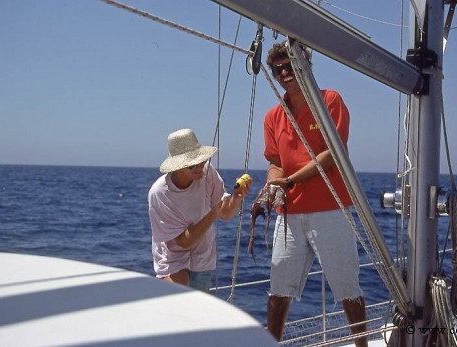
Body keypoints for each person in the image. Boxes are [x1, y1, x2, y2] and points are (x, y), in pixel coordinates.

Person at [262, 41, 368, 346]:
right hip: (289, 214)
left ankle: (361, 343)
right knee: (278, 289)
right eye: (278, 68)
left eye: (290, 65)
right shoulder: (273, 116)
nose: (284, 72)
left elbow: (332, 154)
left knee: (347, 288)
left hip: (330, 209)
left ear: (304, 65)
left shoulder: (329, 100)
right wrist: (272, 183)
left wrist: (290, 180)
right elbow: (274, 161)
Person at [148, 128, 252, 292]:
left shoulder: (208, 173)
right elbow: (183, 242)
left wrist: (236, 199)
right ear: (177, 166)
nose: (200, 167)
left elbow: (225, 214)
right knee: (180, 304)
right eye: (192, 165)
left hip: (202, 258)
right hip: (172, 259)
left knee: (199, 314)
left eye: (202, 161)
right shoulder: (160, 193)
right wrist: (212, 214)